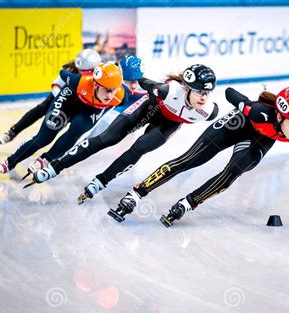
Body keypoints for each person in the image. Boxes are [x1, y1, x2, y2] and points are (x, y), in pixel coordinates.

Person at [107, 86, 289, 226]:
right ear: (279, 115)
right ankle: (136, 193)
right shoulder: (260, 112)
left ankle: (188, 203)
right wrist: (244, 105)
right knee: (188, 160)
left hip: (260, 139)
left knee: (232, 173)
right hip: (239, 123)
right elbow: (230, 93)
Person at [28, 64, 219, 206]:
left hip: (168, 124)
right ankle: (56, 166)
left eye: (207, 93)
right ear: (186, 88)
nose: (204, 97)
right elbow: (144, 82)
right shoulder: (168, 91)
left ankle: (102, 180)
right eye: (199, 91)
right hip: (149, 107)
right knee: (107, 138)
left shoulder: (209, 111)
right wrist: (134, 74)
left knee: (140, 148)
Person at [0, 62, 127, 180]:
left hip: (90, 111)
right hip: (69, 101)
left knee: (77, 130)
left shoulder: (120, 96)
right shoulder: (81, 81)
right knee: (44, 137)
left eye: (113, 89)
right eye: (107, 89)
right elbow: (63, 74)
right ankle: (10, 162)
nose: (110, 94)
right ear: (96, 84)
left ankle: (46, 159)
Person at [0, 49, 102, 148]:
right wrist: (61, 99)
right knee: (43, 107)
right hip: (64, 95)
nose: (80, 73)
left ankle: (34, 142)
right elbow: (55, 85)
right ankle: (13, 131)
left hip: (82, 101)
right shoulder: (71, 69)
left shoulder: (101, 74)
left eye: (84, 71)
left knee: (63, 122)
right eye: (78, 70)